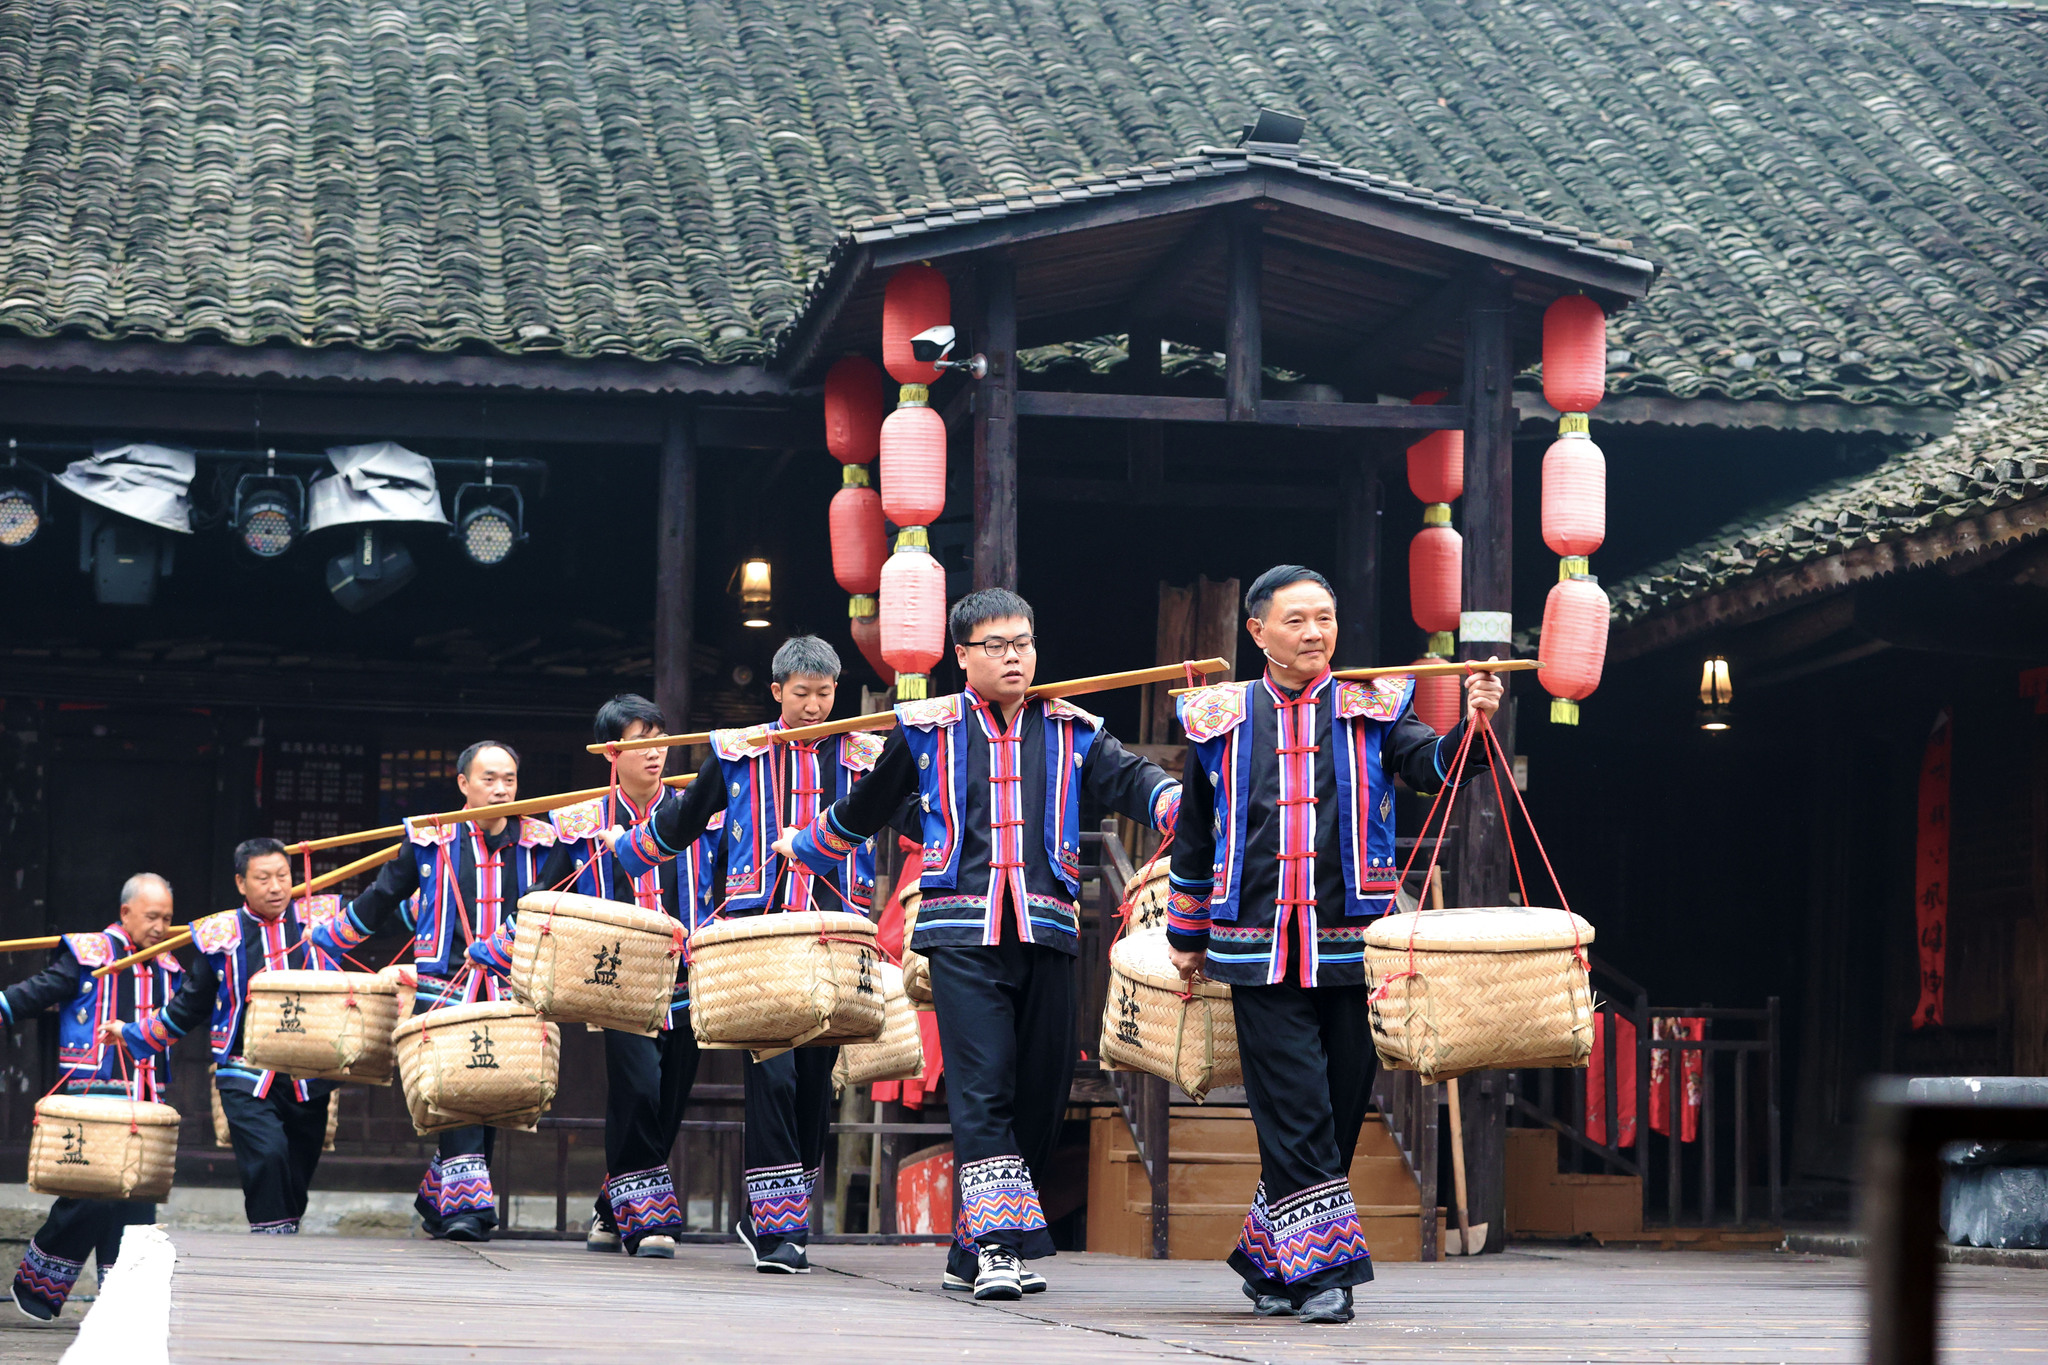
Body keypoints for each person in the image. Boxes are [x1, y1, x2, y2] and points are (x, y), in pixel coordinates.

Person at [776, 590, 1181, 1301]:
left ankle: (970, 1241)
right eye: (996, 644)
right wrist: (805, 844)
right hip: (961, 934)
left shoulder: (1073, 729)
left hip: (1048, 932)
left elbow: (1137, 782)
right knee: (984, 1082)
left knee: (1040, 1090)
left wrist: (1190, 805)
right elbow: (868, 805)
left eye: (1023, 641)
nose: (1015, 655)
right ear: (962, 654)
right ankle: (996, 1244)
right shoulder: (925, 729)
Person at [1164, 565, 1502, 1324]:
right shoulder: (1219, 716)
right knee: (1297, 1108)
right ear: (1257, 631)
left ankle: (1268, 1258)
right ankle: (1325, 1275)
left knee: (1342, 1104)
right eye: (1296, 620)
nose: (1315, 633)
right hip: (1257, 948)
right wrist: (1186, 933)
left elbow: (1431, 769)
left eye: (1325, 618)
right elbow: (1193, 832)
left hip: (1352, 945)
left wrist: (1475, 728)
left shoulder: (1373, 707)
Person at [603, 637, 893, 1274]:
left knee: (817, 1085)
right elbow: (684, 820)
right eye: (802, 694)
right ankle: (776, 1232)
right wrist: (625, 854)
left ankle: (777, 1214)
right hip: (757, 937)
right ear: (777, 693)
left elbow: (920, 815)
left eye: (825, 694)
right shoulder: (737, 753)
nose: (815, 706)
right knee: (774, 1073)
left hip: (836, 935)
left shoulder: (869, 755)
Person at [468, 694, 721, 1259]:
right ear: (612, 752)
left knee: (671, 1097)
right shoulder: (580, 823)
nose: (654, 753)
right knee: (638, 1090)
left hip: (689, 977)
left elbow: (730, 879)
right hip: (619, 983)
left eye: (659, 739)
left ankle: (611, 1209)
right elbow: (543, 898)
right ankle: (651, 1219)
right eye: (639, 741)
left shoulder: (695, 810)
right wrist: (499, 946)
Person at [309, 740, 563, 1243]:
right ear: (463, 784)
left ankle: (438, 1196)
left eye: (509, 779)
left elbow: (557, 901)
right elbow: (386, 895)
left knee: (491, 1094)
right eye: (488, 779)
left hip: (511, 988)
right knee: (454, 1091)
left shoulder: (544, 841)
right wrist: (329, 940)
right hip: (443, 987)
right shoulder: (431, 837)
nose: (500, 789)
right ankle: (467, 1211)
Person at [118, 841, 346, 1236]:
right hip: (246, 1073)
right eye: (263, 878)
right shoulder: (220, 935)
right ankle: (271, 1242)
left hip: (309, 1075)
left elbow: (383, 906)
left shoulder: (320, 919)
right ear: (241, 883)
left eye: (283, 877)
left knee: (296, 1166)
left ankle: (283, 1236)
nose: (276, 887)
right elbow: (190, 1004)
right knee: (268, 1153)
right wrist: (132, 1033)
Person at [4, 873, 180, 1319]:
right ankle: (39, 1283)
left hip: (145, 1098)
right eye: (152, 917)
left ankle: (125, 1303)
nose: (160, 927)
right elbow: (42, 989)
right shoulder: (89, 953)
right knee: (92, 1192)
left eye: (168, 918)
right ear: (126, 913)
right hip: (92, 1095)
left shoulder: (168, 965)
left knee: (137, 1197)